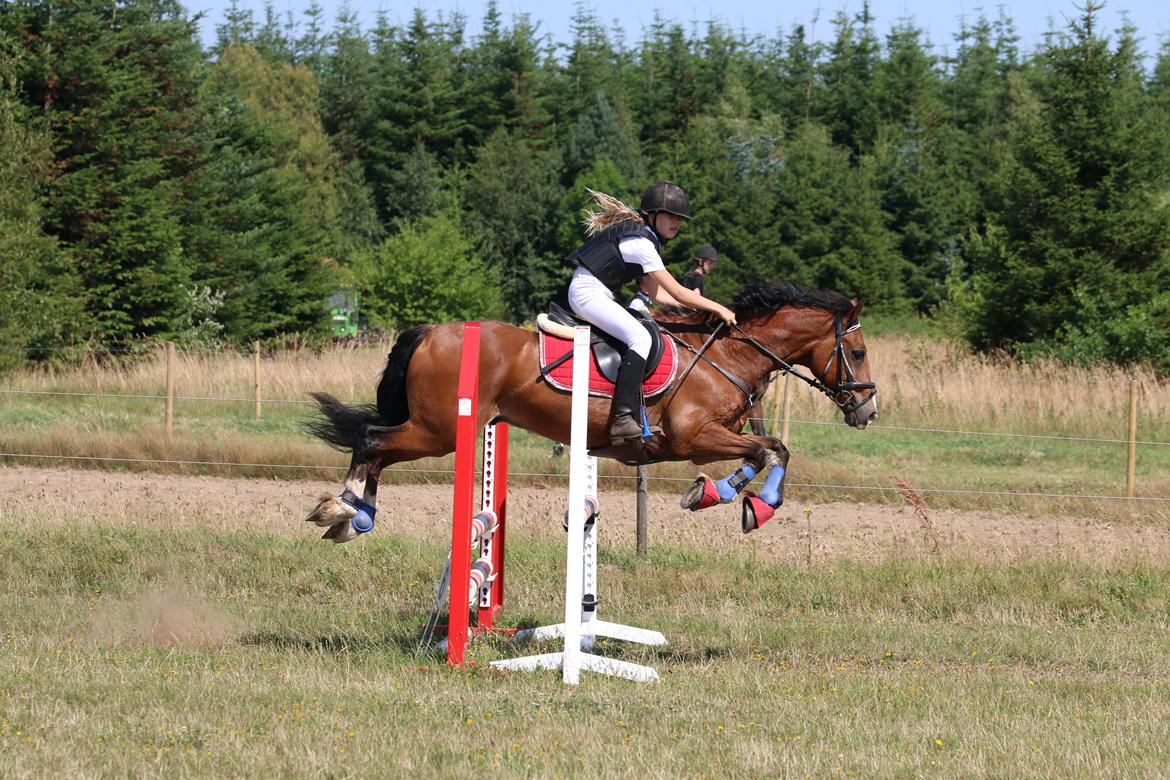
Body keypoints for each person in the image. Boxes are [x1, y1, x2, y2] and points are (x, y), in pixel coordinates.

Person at [563, 182, 737, 443]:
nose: (676, 222)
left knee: (643, 332)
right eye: (670, 216)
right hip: (587, 293)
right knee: (640, 338)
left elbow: (659, 295)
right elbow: (677, 292)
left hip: (595, 293)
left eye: (680, 218)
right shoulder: (641, 244)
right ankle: (622, 418)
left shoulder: (647, 240)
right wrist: (717, 307)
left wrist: (696, 310)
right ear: (652, 216)